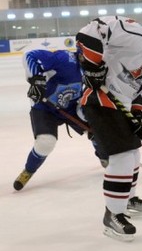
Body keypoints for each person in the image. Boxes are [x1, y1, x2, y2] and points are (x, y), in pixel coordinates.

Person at [76, 9, 142, 241]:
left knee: (133, 155)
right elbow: (90, 31)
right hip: (99, 100)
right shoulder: (133, 33)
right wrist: (92, 66)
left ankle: (127, 198)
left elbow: (141, 93)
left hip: (120, 105)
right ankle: (112, 215)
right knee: (122, 156)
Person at [14, 49, 109, 191]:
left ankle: (106, 158)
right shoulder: (65, 58)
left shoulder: (97, 70)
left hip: (71, 107)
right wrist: (37, 80)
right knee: (46, 142)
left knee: (97, 127)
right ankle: (28, 170)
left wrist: (88, 114)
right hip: (45, 106)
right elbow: (30, 55)